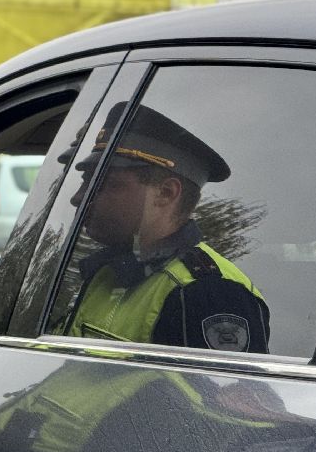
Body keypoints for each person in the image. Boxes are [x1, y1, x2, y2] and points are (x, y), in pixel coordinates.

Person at [63, 104, 270, 352]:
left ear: (165, 193)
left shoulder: (208, 294)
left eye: (103, 184)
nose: (78, 197)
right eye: (86, 181)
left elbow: (217, 391)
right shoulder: (109, 272)